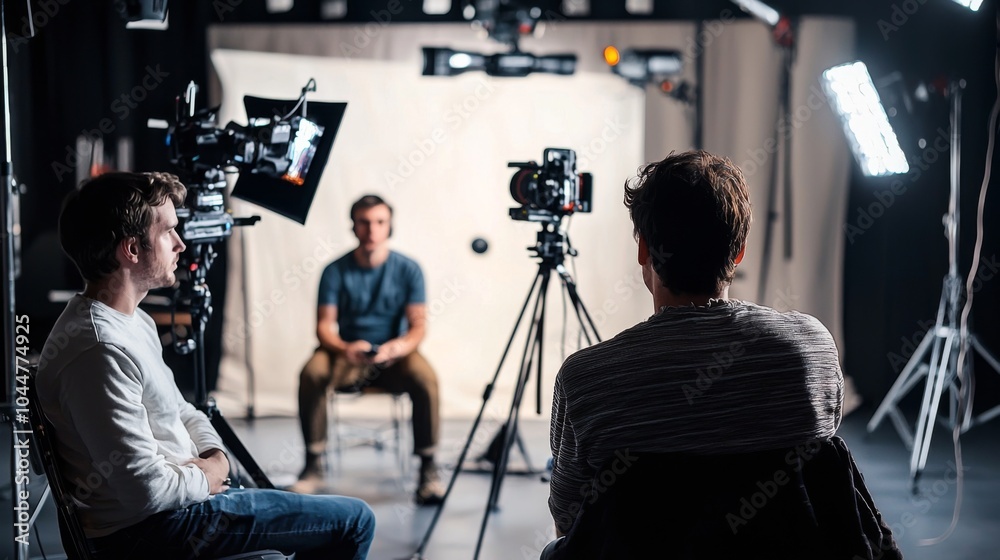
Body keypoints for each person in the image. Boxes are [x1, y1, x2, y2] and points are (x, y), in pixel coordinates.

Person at [35, 172, 375, 560]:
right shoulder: (98, 350)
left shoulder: (133, 321)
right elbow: (145, 491)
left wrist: (216, 456)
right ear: (131, 249)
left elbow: (182, 411)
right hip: (155, 530)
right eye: (168, 233)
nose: (181, 244)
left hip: (181, 506)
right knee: (356, 520)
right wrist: (210, 476)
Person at [547, 150, 847, 538]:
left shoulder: (587, 378)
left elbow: (570, 520)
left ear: (643, 250)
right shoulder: (812, 346)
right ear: (737, 253)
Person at [293, 194, 444, 505]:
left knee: (425, 377)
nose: (372, 230)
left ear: (390, 226)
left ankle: (428, 468)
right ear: (353, 226)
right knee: (312, 372)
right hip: (347, 353)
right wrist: (346, 347)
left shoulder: (409, 269)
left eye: (379, 222)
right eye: (364, 222)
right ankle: (313, 464)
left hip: (393, 354)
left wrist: (398, 347)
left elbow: (419, 325)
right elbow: (323, 327)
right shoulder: (335, 270)